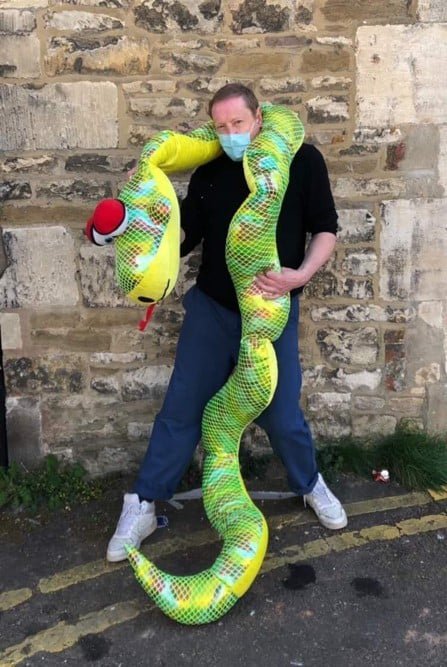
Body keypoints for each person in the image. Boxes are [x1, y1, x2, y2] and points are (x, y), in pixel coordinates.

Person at [106, 83, 347, 563]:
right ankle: (144, 503)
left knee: (281, 412)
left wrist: (301, 275)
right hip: (213, 308)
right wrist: (141, 225)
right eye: (221, 127)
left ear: (259, 118)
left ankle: (309, 484)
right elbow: (185, 237)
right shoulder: (210, 170)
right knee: (182, 408)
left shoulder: (301, 160)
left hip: (271, 309)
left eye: (238, 123)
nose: (231, 134)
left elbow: (325, 228)